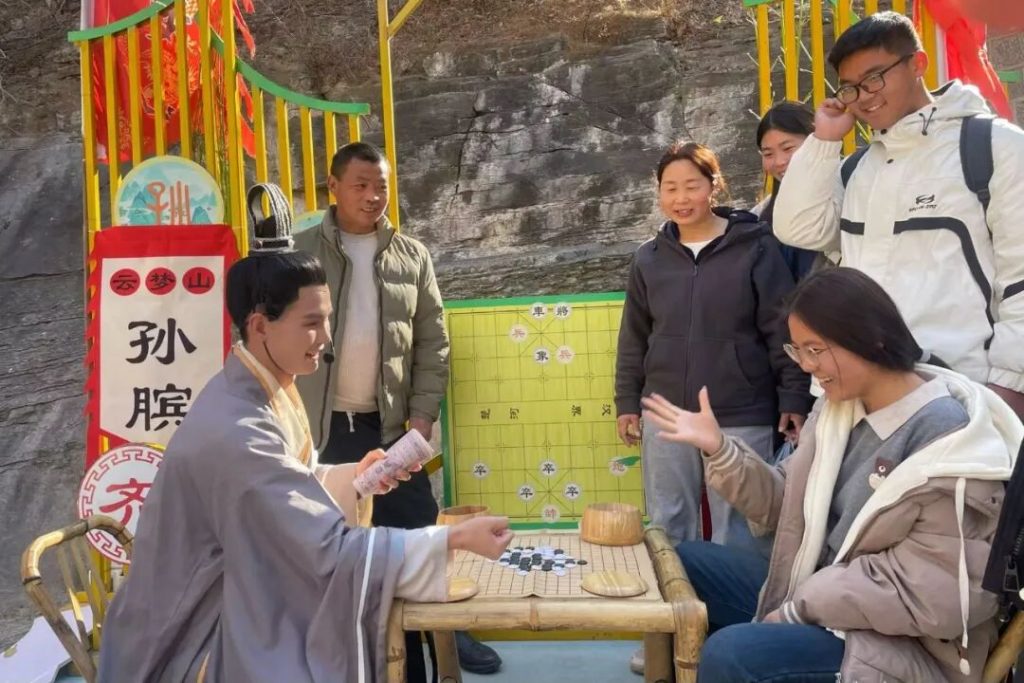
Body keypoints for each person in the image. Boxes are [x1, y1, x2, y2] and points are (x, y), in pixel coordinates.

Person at [97, 209, 513, 682]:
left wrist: (354, 479)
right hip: (191, 635)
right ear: (260, 326)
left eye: (328, 319)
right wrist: (451, 539)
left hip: (239, 594)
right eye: (312, 323)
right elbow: (323, 549)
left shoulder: (254, 388)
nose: (327, 338)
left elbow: (287, 490)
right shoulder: (237, 428)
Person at [641, 267, 1022, 682]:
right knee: (685, 563)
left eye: (816, 349)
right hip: (826, 602)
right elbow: (788, 506)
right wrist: (719, 449)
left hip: (904, 648)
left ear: (872, 337)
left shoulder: (949, 440)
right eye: (798, 350)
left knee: (732, 654)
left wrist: (797, 609)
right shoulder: (839, 410)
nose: (806, 365)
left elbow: (933, 595)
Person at [293, 142, 502, 676]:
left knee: (418, 528)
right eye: (360, 185)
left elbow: (433, 343)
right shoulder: (300, 252)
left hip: (390, 427)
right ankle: (354, 651)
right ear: (333, 188)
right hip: (323, 429)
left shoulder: (412, 255)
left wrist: (422, 418)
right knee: (337, 541)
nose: (373, 196)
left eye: (381, 186)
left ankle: (448, 635)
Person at [773, 11, 1024, 420]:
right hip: (860, 399)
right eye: (851, 87)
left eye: (874, 78)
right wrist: (824, 140)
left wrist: (1011, 386)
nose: (864, 96)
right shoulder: (858, 170)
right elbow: (796, 227)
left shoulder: (996, 148)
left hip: (962, 395)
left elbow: (1020, 280)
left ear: (917, 63)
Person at [752, 101, 828, 280]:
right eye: (768, 154)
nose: (779, 161)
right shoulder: (759, 215)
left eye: (788, 148)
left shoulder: (847, 196)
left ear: (814, 142)